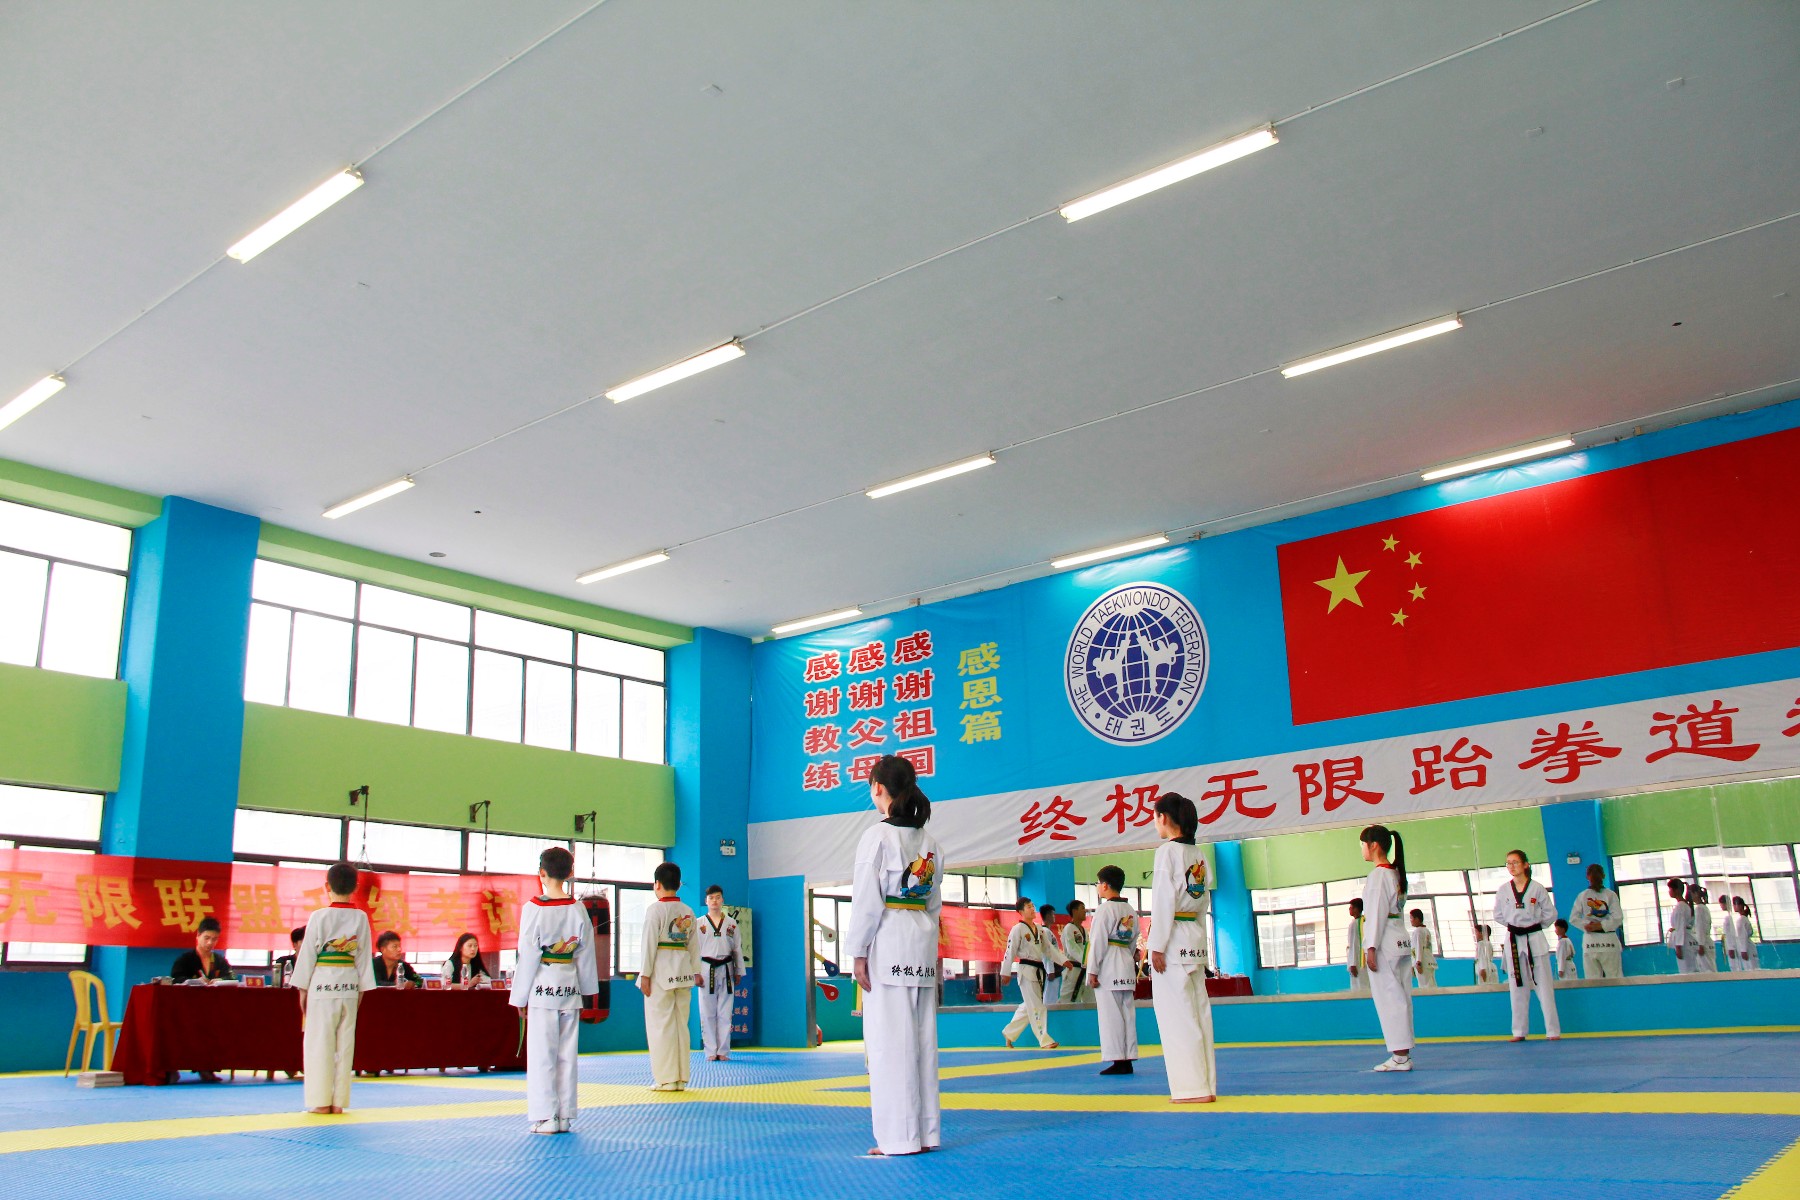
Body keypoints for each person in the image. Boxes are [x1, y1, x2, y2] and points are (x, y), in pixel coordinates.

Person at [846, 754, 942, 1157]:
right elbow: (934, 904)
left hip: (887, 946)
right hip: (921, 943)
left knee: (889, 1045)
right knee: (922, 1043)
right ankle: (925, 1133)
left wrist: (857, 952)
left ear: (878, 788)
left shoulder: (877, 837)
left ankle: (898, 1138)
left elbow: (867, 902)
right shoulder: (929, 842)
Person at [513, 846, 600, 1133]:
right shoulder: (578, 908)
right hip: (570, 989)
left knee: (542, 1055)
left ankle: (545, 1116)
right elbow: (585, 954)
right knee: (566, 1056)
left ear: (541, 872)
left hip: (542, 988)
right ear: (570, 873)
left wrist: (520, 996)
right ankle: (564, 1116)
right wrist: (588, 991)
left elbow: (528, 954)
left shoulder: (533, 908)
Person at [1147, 793, 1215, 1104]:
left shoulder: (1167, 853)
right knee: (1199, 1015)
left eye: (1155, 817)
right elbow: (1203, 900)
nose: (1155, 823)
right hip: (1194, 938)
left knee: (1177, 1018)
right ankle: (1206, 1086)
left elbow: (1163, 901)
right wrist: (1200, 939)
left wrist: (1156, 946)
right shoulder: (1198, 854)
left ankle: (1191, 1089)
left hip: (1173, 941)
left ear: (1163, 817)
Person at [292, 862, 374, 1114]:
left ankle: (321, 1102)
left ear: (327, 886)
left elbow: (307, 955)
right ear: (356, 887)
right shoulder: (361, 918)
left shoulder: (318, 916)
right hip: (349, 984)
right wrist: (360, 991)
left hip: (322, 985)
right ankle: (339, 1102)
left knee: (319, 1043)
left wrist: (302, 991)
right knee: (345, 1044)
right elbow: (364, 958)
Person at [639, 861, 700, 1092]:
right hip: (683, 971)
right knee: (680, 1025)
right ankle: (681, 1077)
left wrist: (644, 975)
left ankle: (666, 1079)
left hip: (661, 971)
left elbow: (648, 945)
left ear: (657, 884)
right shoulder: (688, 911)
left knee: (661, 1025)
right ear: (679, 884)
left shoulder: (655, 910)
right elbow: (694, 946)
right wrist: (696, 971)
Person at [1358, 825, 1414, 1072]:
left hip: (1385, 942)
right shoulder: (1395, 873)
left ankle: (1400, 1056)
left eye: (1363, 844)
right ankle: (1403, 1053)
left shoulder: (1379, 876)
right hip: (1399, 940)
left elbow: (1376, 913)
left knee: (1389, 999)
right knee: (1401, 998)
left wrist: (1370, 946)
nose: (1362, 849)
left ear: (1374, 846)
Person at [1494, 849, 1561, 1041]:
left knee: (1544, 986)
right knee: (1517, 987)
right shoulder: (1503, 890)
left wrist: (1534, 925)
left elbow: (1550, 914)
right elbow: (1498, 915)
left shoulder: (1537, 888)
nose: (1512, 866)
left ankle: (1553, 1031)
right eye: (1508, 863)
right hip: (1514, 939)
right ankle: (1519, 1031)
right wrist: (1516, 926)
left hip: (1534, 938)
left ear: (1525, 865)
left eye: (1515, 862)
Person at [1086, 865, 1139, 1076]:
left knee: (1111, 1015)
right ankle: (1128, 1058)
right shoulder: (1130, 910)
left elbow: (1097, 942)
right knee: (1127, 1014)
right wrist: (1128, 957)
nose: (1098, 887)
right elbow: (1133, 941)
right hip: (1126, 963)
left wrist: (1092, 970)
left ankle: (1118, 1059)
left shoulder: (1104, 910)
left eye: (1098, 883)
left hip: (1108, 965)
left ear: (1105, 885)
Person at [1000, 897, 1058, 1049]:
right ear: (1021, 911)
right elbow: (1010, 951)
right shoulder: (1017, 929)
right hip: (1026, 970)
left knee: (1029, 1005)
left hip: (1038, 970)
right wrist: (1006, 972)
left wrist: (1064, 961)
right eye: (1028, 907)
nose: (1032, 909)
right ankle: (1044, 1040)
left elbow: (1049, 949)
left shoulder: (1039, 929)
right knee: (1038, 1006)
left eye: (1033, 906)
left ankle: (1009, 1033)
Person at [696, 884, 743, 1062]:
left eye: (717, 897)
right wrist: (695, 973)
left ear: (722, 900)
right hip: (705, 968)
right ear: (706, 901)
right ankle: (710, 1051)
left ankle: (723, 1050)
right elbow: (694, 950)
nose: (714, 901)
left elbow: (737, 949)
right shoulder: (699, 923)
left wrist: (739, 971)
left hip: (726, 968)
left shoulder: (731, 923)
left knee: (725, 1012)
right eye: (711, 898)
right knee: (707, 1012)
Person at [1569, 863, 1624, 979]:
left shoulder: (1582, 896)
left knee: (1592, 980)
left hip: (1590, 943)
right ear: (1603, 876)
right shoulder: (1610, 895)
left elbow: (1573, 919)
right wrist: (1601, 925)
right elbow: (1618, 918)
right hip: (1608, 941)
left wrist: (1589, 926)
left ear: (1587, 877)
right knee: (1615, 978)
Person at [171, 916, 236, 984]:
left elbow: (233, 976)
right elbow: (175, 979)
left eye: (214, 939)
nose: (210, 942)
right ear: (198, 935)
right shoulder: (185, 959)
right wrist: (194, 981)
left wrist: (221, 979)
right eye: (207, 938)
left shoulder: (220, 960)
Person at [1060, 900, 1092, 1006]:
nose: (1085, 911)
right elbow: (1072, 949)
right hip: (1073, 969)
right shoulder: (1069, 928)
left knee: (1090, 1001)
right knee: (1068, 1002)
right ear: (1074, 911)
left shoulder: (1084, 930)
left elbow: (1088, 949)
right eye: (1082, 908)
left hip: (1086, 970)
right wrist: (1087, 961)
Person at [1038, 903, 1068, 1003]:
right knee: (1050, 995)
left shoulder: (1048, 931)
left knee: (1052, 994)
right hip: (1051, 969)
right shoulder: (1045, 931)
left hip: (1055, 967)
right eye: (1052, 914)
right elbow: (1047, 952)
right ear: (1047, 916)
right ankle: (1048, 1011)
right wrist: (1050, 970)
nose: (1054, 916)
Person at [1665, 879, 1696, 974]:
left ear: (1676, 890)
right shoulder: (1683, 905)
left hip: (1684, 943)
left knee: (1686, 970)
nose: (1669, 891)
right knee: (1689, 968)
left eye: (1670, 889)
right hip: (1686, 939)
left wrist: (1678, 946)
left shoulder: (1681, 906)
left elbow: (1680, 927)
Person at [1345, 899, 1369, 995]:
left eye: (1351, 907)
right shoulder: (1364, 921)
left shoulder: (1354, 924)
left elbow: (1353, 945)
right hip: (1363, 959)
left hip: (1359, 962)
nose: (1349, 909)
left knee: (1359, 986)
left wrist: (1352, 963)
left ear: (1356, 909)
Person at [1408, 909, 1437, 989]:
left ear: (1417, 919)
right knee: (1431, 985)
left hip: (1422, 963)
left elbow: (1419, 947)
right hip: (1429, 962)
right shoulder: (1426, 930)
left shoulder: (1418, 931)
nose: (1410, 920)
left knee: (1425, 986)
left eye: (1411, 918)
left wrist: (1418, 963)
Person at [1692, 884, 1716, 973]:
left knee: (1707, 971)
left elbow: (1700, 927)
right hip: (1706, 941)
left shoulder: (1699, 909)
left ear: (1696, 893)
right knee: (1710, 968)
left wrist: (1700, 945)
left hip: (1704, 943)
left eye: (1691, 893)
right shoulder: (1703, 907)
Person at [1732, 897, 1757, 971]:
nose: (1733, 907)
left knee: (1750, 969)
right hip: (1748, 947)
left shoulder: (1741, 920)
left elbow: (1743, 936)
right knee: (1752, 968)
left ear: (1739, 906)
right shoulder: (1743, 918)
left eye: (1734, 904)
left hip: (1747, 948)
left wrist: (1744, 950)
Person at [1473, 923, 1496, 987]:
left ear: (1481, 933)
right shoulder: (1489, 944)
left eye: (1476, 932)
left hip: (1485, 973)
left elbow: (1483, 960)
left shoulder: (1481, 944)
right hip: (1490, 971)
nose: (1475, 934)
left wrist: (1484, 979)